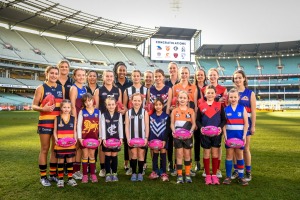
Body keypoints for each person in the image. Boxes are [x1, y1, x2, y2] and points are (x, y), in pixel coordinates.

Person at [32, 65, 64, 186]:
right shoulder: (41, 88)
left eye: (56, 73)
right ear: (47, 74)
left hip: (58, 124)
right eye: (52, 73)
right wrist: (43, 108)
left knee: (55, 150)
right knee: (44, 149)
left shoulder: (61, 88)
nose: (54, 75)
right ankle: (43, 176)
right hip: (45, 122)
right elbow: (34, 105)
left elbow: (63, 106)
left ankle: (52, 174)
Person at [94, 70, 123, 177]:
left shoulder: (117, 90)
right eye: (107, 76)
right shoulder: (99, 90)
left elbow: (119, 106)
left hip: (114, 121)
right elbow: (96, 107)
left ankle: (112, 168)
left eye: (111, 76)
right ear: (103, 77)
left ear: (113, 77)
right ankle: (103, 168)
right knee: (103, 145)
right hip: (103, 120)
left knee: (113, 144)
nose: (109, 78)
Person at [197, 85, 226, 185]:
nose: (210, 94)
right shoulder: (201, 106)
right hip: (205, 134)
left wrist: (220, 128)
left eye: (212, 93)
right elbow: (197, 120)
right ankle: (208, 175)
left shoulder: (219, 105)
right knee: (206, 154)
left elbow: (224, 120)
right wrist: (201, 128)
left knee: (215, 154)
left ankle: (214, 175)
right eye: (208, 93)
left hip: (216, 134)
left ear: (215, 94)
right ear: (205, 94)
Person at [201, 68, 227, 178]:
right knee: (206, 149)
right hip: (206, 121)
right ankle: (206, 171)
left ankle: (217, 169)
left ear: (218, 76)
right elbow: (202, 104)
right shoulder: (203, 89)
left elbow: (225, 104)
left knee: (217, 149)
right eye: (210, 75)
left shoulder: (223, 89)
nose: (212, 77)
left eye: (214, 75)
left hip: (217, 121)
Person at [231, 70, 256, 181]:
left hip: (246, 124)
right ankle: (237, 170)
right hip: (233, 124)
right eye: (235, 78)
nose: (237, 80)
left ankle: (248, 172)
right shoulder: (231, 93)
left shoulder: (250, 93)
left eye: (239, 77)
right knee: (234, 148)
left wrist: (253, 126)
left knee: (245, 148)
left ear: (244, 79)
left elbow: (254, 112)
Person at [223, 88, 249, 186]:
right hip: (229, 137)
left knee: (239, 155)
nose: (233, 99)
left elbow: (246, 123)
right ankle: (228, 177)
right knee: (229, 155)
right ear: (228, 98)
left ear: (238, 97)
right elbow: (224, 125)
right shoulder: (226, 109)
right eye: (231, 97)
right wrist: (225, 136)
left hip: (239, 137)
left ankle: (241, 177)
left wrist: (244, 136)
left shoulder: (242, 109)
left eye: (235, 97)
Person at [170, 91, 196, 184]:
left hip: (188, 136)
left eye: (184, 98)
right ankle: (180, 175)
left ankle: (188, 174)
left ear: (188, 100)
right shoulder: (174, 111)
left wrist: (191, 132)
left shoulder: (191, 111)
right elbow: (172, 124)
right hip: (177, 136)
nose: (182, 100)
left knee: (187, 155)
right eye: (180, 98)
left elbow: (193, 124)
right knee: (179, 154)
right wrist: (173, 131)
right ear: (177, 99)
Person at [113, 61, 133, 174]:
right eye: (120, 70)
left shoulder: (129, 84)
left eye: (123, 70)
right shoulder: (113, 83)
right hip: (113, 115)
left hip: (126, 116)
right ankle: (109, 163)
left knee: (126, 139)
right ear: (116, 71)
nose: (122, 72)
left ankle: (127, 162)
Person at [125, 93, 149, 182]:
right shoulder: (128, 112)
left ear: (141, 101)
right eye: (135, 100)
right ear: (131, 101)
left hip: (142, 138)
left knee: (141, 154)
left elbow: (147, 126)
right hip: (132, 138)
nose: (137, 102)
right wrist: (128, 138)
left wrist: (146, 137)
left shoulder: (144, 112)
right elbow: (127, 126)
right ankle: (134, 173)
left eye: (139, 100)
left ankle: (140, 172)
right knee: (134, 154)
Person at [77, 93, 101, 183]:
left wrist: (101, 137)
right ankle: (85, 175)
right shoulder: (82, 112)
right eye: (85, 101)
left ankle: (93, 174)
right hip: (84, 138)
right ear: (83, 103)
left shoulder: (98, 112)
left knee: (92, 155)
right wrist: (80, 138)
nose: (88, 103)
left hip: (94, 138)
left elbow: (101, 126)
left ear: (93, 100)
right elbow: (79, 125)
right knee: (85, 155)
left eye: (89, 100)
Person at [53, 99, 77, 187]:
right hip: (60, 145)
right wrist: (56, 139)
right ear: (61, 108)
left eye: (68, 107)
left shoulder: (73, 118)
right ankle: (60, 179)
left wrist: (75, 138)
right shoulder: (57, 118)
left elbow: (74, 130)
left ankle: (70, 179)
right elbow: (55, 131)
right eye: (64, 107)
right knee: (61, 161)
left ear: (71, 108)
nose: (66, 109)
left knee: (70, 160)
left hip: (70, 144)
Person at [69, 68, 87, 180]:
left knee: (80, 146)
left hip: (83, 120)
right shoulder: (74, 88)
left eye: (83, 75)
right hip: (77, 120)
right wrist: (75, 122)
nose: (81, 77)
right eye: (79, 75)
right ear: (74, 77)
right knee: (75, 146)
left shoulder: (84, 88)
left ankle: (77, 169)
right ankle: (73, 170)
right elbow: (72, 106)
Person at [101, 97, 123, 182]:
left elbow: (120, 127)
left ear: (115, 105)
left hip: (116, 139)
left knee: (114, 155)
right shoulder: (103, 115)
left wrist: (121, 138)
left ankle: (114, 173)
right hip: (107, 139)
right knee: (107, 155)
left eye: (113, 104)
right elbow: (102, 127)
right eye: (109, 105)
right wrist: (103, 139)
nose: (111, 106)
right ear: (106, 106)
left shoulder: (119, 115)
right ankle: (107, 174)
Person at [148, 97, 170, 181]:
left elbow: (167, 129)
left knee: (163, 153)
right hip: (154, 139)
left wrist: (164, 140)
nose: (158, 106)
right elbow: (149, 129)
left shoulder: (166, 116)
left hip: (163, 139)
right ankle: (155, 171)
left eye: (160, 105)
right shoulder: (151, 117)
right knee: (155, 153)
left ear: (163, 105)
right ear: (154, 106)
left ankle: (163, 172)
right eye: (156, 105)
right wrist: (149, 139)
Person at [164, 62, 179, 175]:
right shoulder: (165, 83)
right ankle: (170, 162)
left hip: (180, 117)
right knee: (169, 140)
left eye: (174, 68)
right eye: (170, 68)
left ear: (177, 70)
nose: (172, 70)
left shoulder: (181, 83)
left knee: (177, 140)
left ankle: (176, 163)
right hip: (168, 116)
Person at [193, 68, 207, 172]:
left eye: (201, 75)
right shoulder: (193, 88)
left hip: (207, 117)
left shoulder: (208, 88)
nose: (200, 77)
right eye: (198, 75)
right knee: (197, 141)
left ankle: (207, 162)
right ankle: (197, 162)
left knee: (207, 141)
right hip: (197, 117)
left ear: (205, 76)